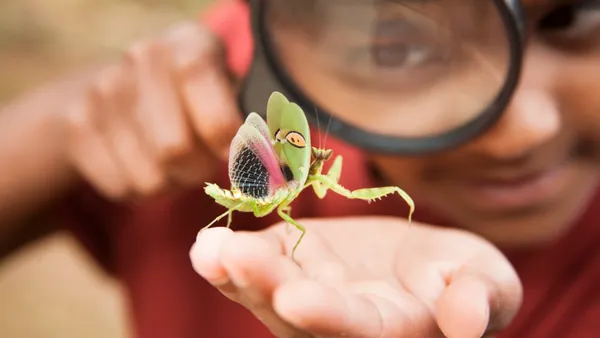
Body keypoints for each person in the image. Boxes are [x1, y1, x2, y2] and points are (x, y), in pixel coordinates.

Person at [0, 0, 599, 337]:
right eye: (398, 48)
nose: (526, 130)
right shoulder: (224, 92)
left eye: (574, 15)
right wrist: (61, 129)